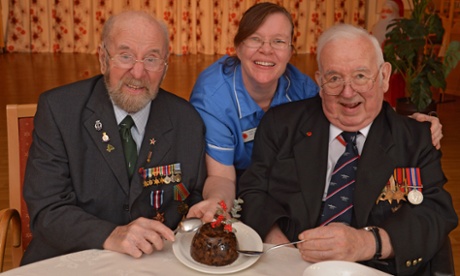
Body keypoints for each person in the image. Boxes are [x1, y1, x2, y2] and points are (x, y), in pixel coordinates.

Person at [187, 2, 443, 222]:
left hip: (281, 181)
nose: (266, 49)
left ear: (290, 51)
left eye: (278, 41)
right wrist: (218, 205)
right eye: (255, 39)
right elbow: (222, 177)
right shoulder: (213, 96)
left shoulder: (305, 88)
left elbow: (351, 106)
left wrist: (408, 127)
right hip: (233, 182)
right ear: (238, 47)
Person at [238, 24, 457, 275]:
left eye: (360, 76)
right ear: (320, 82)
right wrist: (281, 250)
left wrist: (368, 243)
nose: (348, 91)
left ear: (384, 77)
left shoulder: (415, 138)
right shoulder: (280, 124)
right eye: (334, 78)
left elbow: (436, 212)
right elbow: (252, 189)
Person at [21, 11, 206, 265]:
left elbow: (193, 196)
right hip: (69, 260)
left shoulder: (188, 121)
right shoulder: (59, 110)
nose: (138, 72)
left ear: (165, 68)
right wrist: (111, 234)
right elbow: (47, 211)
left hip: (154, 264)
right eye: (125, 56)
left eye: (151, 59)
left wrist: (199, 214)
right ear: (103, 59)